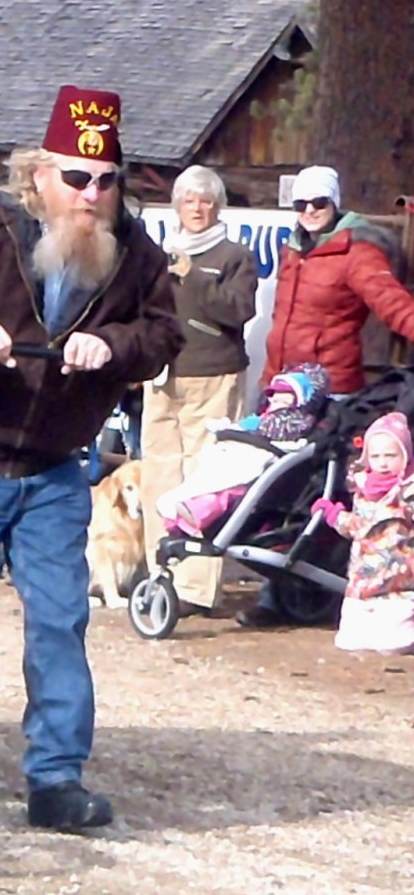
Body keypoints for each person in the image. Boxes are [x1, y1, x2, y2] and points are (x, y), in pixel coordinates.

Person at [0, 84, 183, 832]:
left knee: (59, 618)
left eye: (107, 180)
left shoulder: (134, 254)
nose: (93, 194)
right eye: (78, 177)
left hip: (54, 466)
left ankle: (54, 778)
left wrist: (112, 347)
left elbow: (164, 335)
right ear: (38, 175)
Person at [239, 164, 414, 628]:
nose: (310, 211)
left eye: (319, 202)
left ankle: (291, 594)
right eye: (301, 203)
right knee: (269, 492)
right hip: (282, 390)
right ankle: (274, 586)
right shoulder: (293, 249)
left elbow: (392, 303)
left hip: (331, 391)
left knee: (309, 496)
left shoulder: (355, 252)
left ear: (335, 204)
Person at [140, 166, 258, 615]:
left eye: (205, 200)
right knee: (159, 477)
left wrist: (195, 276)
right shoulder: (160, 254)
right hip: (162, 376)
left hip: (213, 374)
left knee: (204, 481)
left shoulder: (234, 255)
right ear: (177, 206)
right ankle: (160, 573)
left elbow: (239, 310)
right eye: (189, 200)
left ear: (217, 206)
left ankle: (195, 587)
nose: (197, 208)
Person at [156, 365, 327, 536]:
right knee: (208, 477)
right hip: (240, 449)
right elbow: (245, 426)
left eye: (283, 400)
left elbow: (279, 430)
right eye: (273, 397)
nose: (275, 402)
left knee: (226, 491)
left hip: (260, 457)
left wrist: (260, 424)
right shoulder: (264, 416)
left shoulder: (293, 421)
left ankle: (196, 514)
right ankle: (178, 517)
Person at [315, 412, 414, 654]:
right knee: (350, 641)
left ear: (405, 455)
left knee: (392, 645)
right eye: (375, 456)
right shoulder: (361, 488)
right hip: (362, 579)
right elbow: (357, 526)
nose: (382, 463)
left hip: (398, 581)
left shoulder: (408, 490)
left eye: (391, 456)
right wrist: (335, 515)